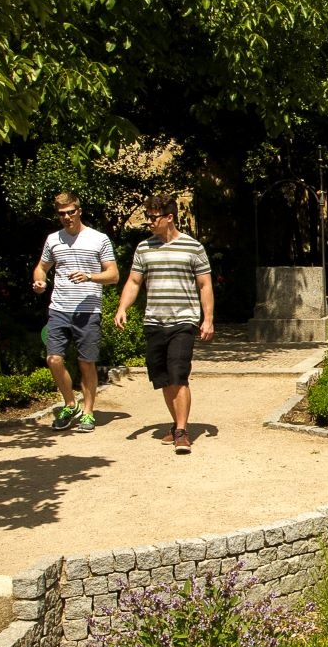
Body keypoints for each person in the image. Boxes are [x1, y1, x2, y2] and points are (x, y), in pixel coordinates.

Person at [114, 194, 213, 452]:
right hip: (154, 321)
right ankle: (175, 423)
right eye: (147, 216)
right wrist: (122, 308)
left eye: (153, 217)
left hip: (184, 320)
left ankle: (182, 430)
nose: (149, 221)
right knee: (163, 377)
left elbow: (205, 285)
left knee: (178, 373)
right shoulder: (144, 248)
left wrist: (208, 319)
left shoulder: (193, 247)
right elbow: (134, 282)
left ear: (170, 217)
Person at [33, 191, 117, 432]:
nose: (67, 217)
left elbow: (113, 275)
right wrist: (40, 282)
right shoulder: (53, 240)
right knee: (54, 359)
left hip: (88, 310)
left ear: (79, 211)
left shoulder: (98, 239)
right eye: (62, 214)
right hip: (59, 308)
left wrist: (90, 276)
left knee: (86, 363)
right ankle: (71, 404)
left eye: (71, 212)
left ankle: (88, 413)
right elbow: (41, 268)